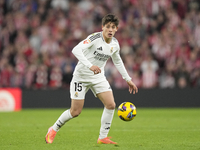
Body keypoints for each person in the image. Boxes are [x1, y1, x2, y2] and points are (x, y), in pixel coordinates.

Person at [45, 14, 138, 144]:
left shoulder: (115, 44)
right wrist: (90, 66)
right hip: (81, 77)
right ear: (102, 27)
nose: (110, 30)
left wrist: (128, 79)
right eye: (107, 27)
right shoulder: (95, 38)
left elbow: (117, 61)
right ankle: (53, 129)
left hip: (98, 77)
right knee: (75, 111)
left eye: (113, 27)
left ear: (116, 29)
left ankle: (102, 137)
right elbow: (76, 50)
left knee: (111, 105)